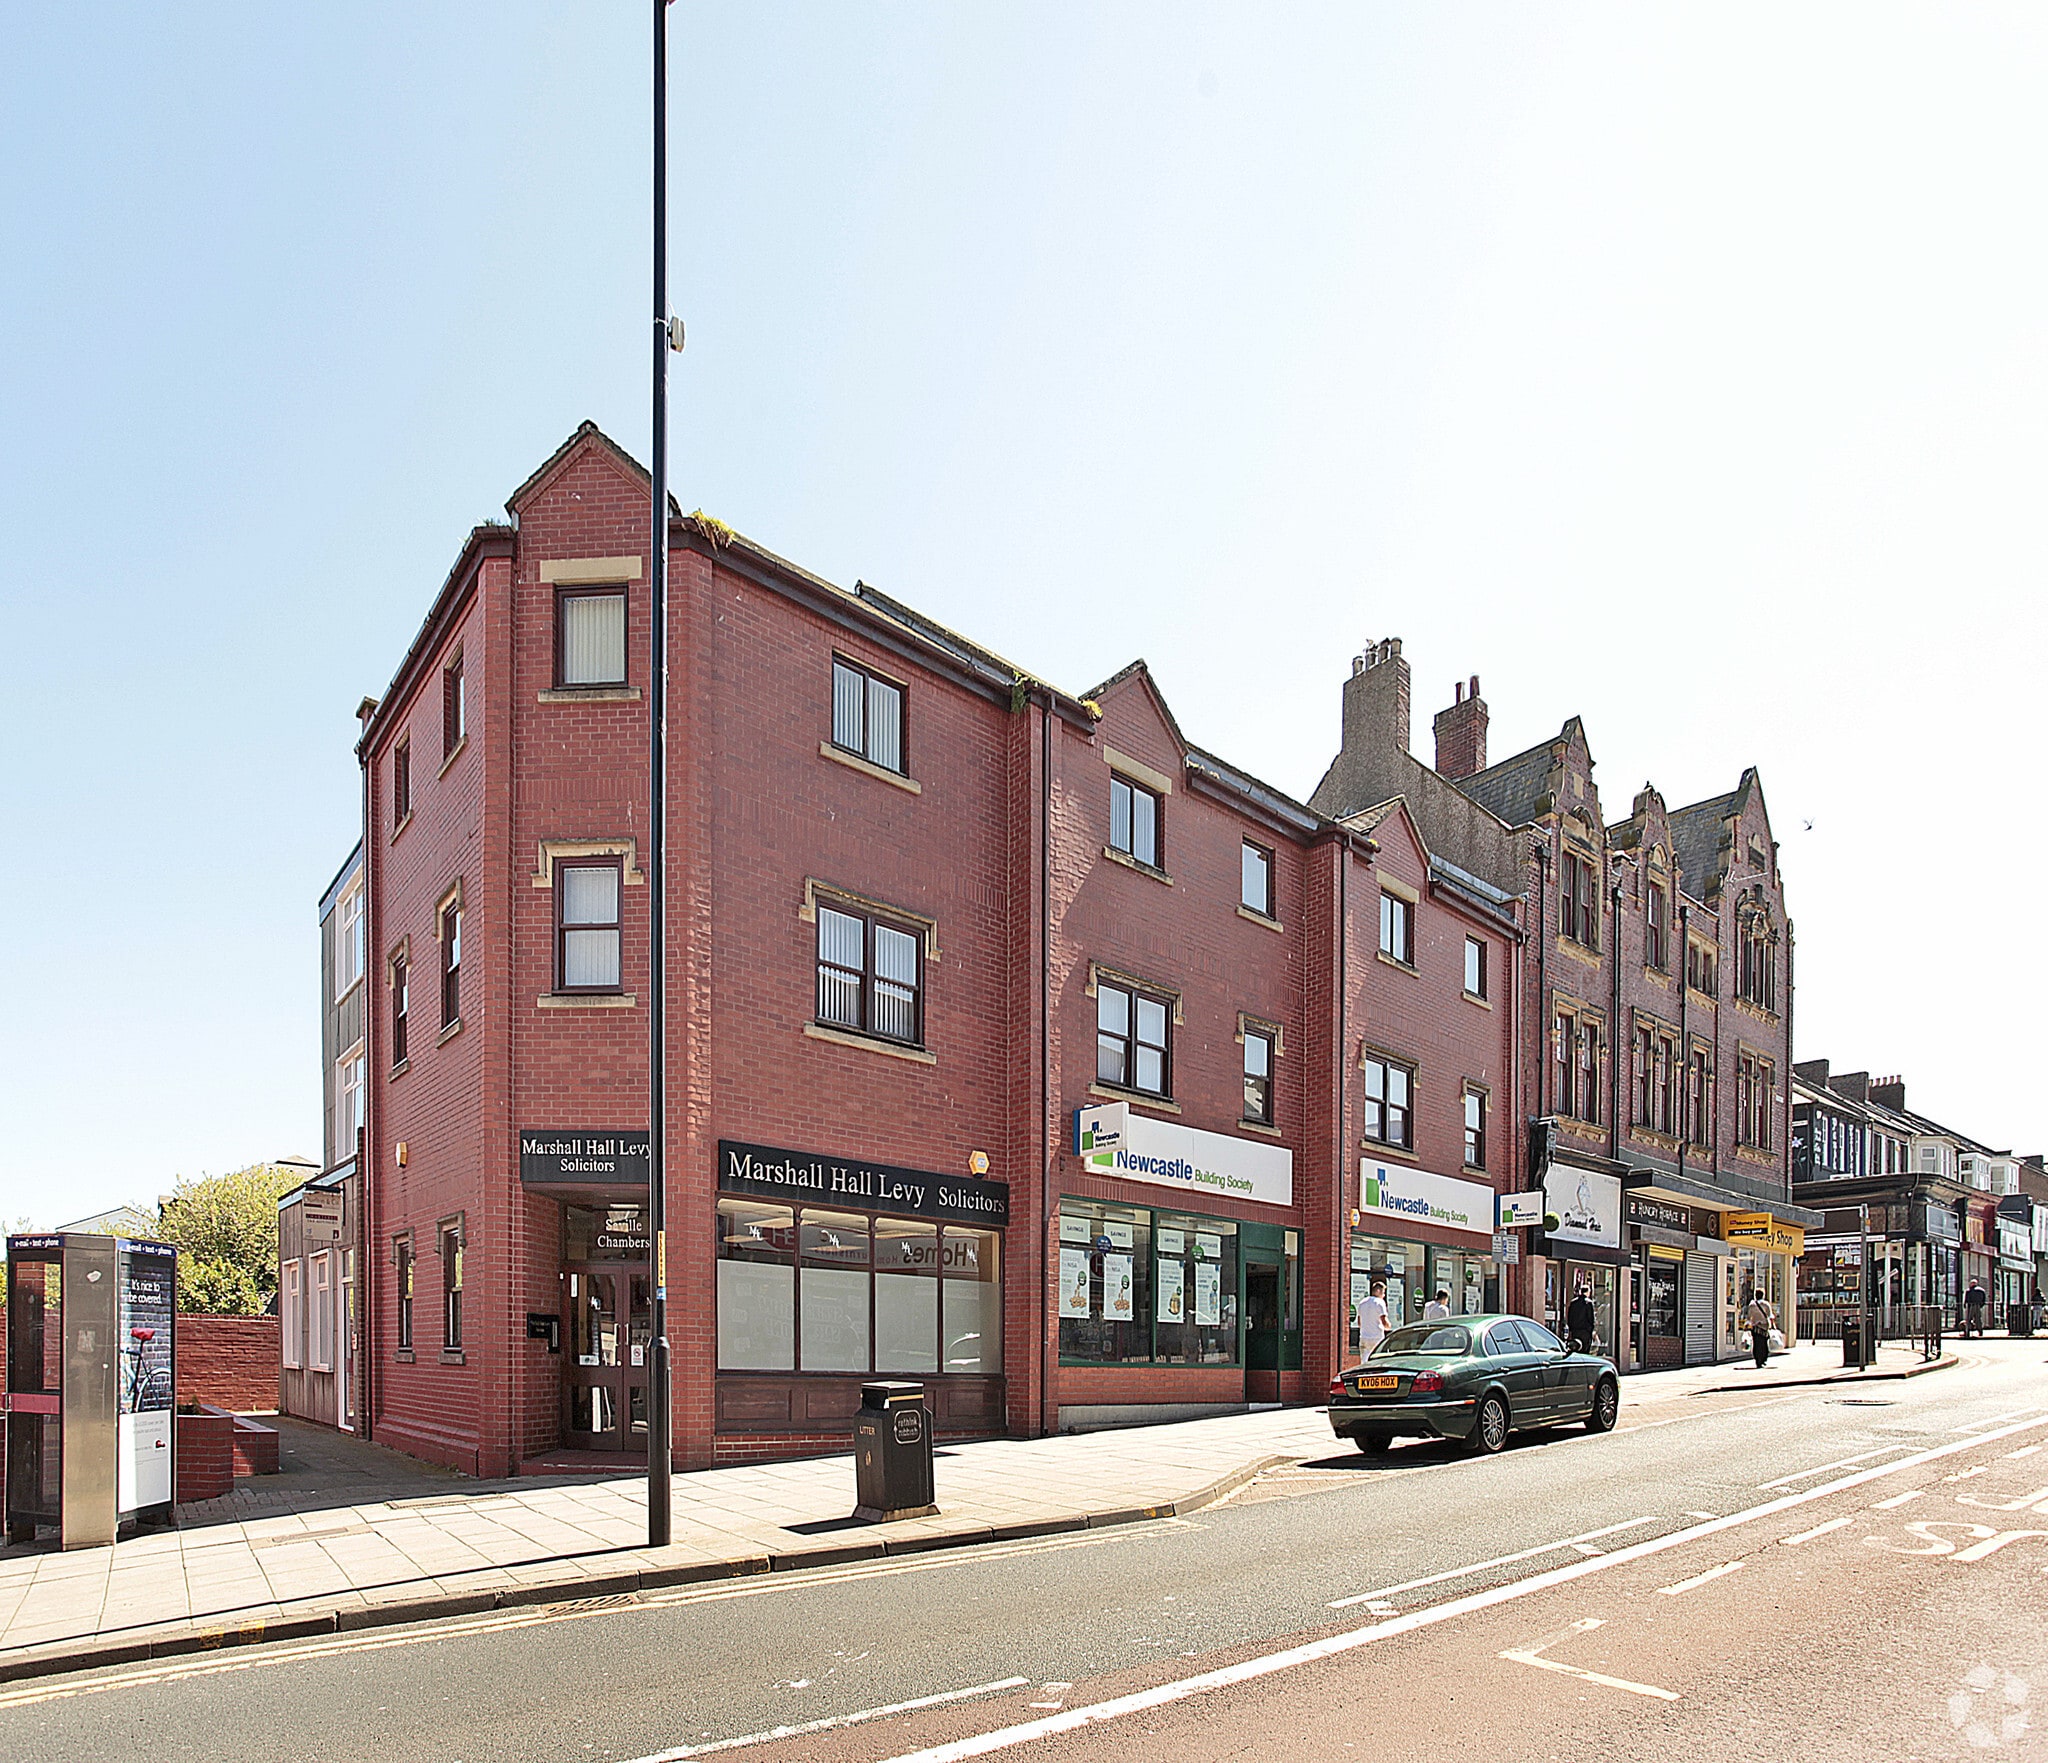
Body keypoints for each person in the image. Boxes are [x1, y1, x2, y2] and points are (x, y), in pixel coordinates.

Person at [1358, 1279, 1390, 1355]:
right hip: (1376, 1337)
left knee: (1364, 1361)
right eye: (1383, 1292)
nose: (1384, 1295)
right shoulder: (1380, 1302)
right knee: (1377, 1359)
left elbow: (1359, 1323)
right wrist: (1389, 1327)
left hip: (1364, 1336)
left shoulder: (1362, 1302)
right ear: (1378, 1291)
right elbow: (1384, 1322)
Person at [1744, 1291, 1775, 1368]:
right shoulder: (1766, 1304)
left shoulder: (1752, 1305)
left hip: (1755, 1327)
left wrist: (1747, 1325)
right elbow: (1770, 1316)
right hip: (1764, 1327)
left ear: (1755, 1296)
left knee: (1756, 1344)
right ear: (1763, 1295)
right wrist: (1773, 1326)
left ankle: (1757, 1360)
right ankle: (1763, 1359)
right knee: (1764, 1344)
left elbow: (1749, 1317)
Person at [1565, 1285, 1597, 1355]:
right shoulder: (1588, 1303)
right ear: (1588, 1292)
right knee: (1585, 1351)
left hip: (1575, 1331)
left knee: (1576, 1350)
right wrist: (1590, 1330)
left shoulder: (1573, 1303)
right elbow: (1590, 1318)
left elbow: (1570, 1317)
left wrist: (1571, 1329)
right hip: (1585, 1331)